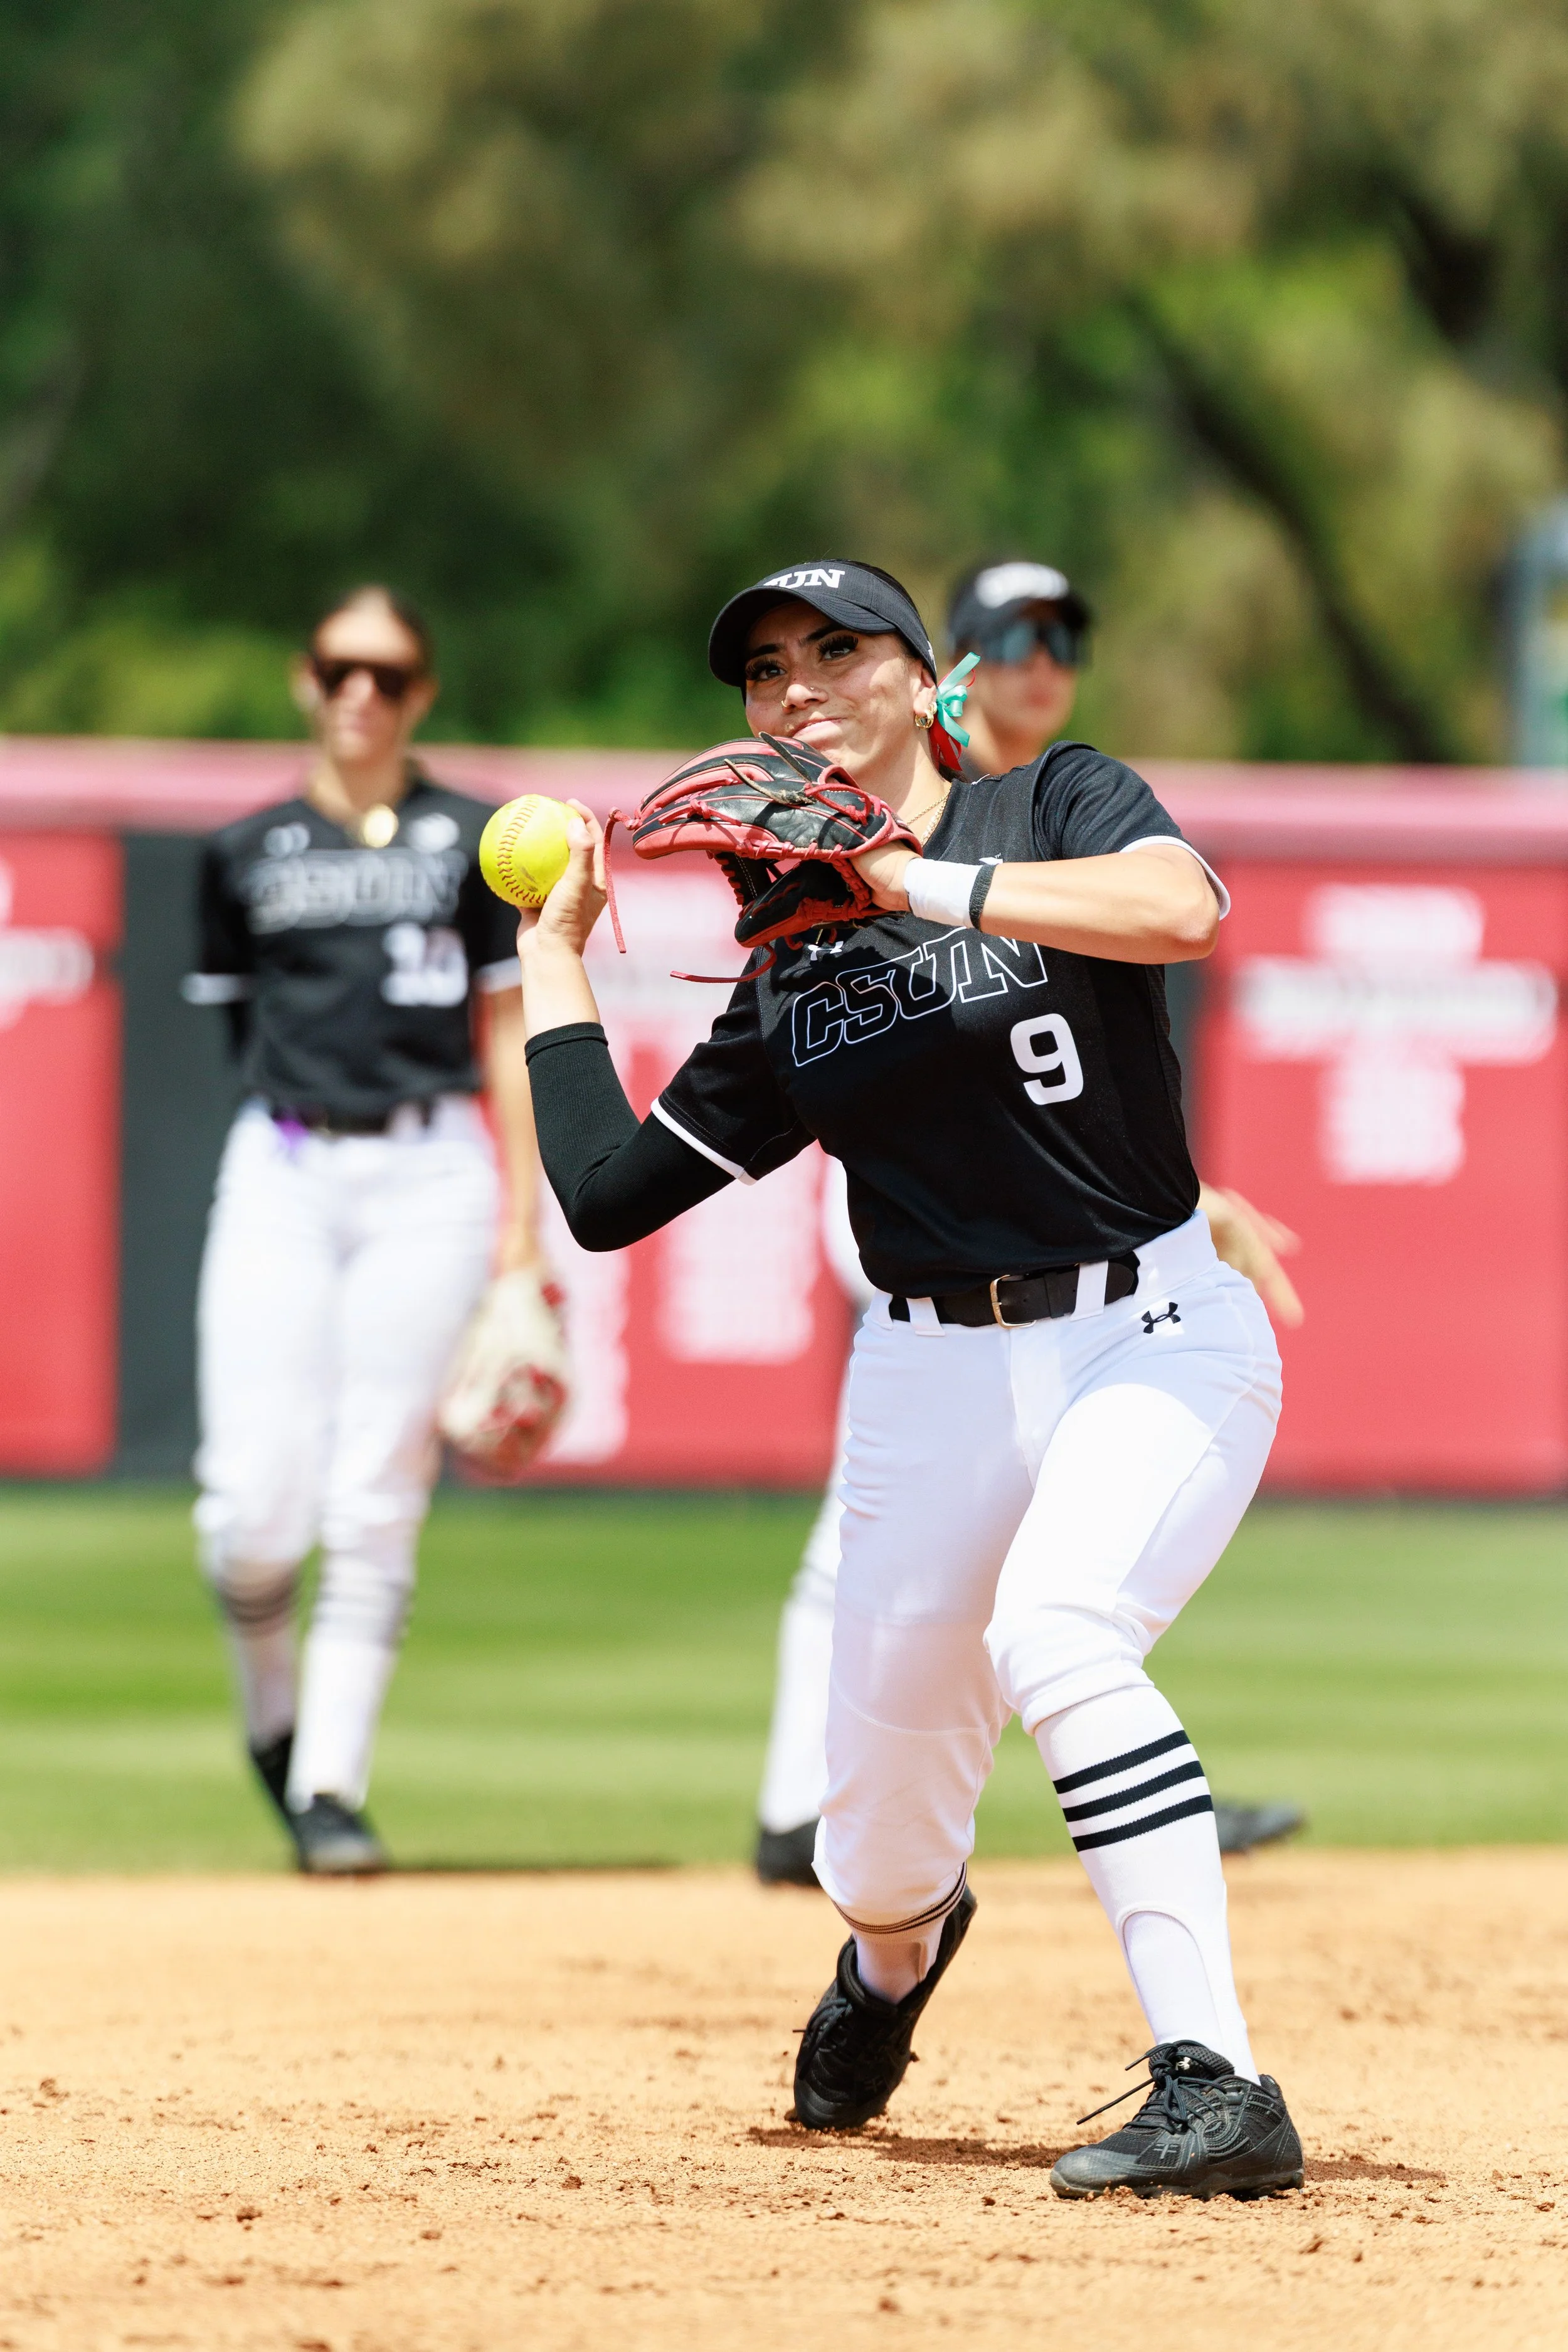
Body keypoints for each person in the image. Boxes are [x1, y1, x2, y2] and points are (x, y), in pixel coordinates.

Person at [517, 558, 1304, 2199]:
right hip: (928, 1381)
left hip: (1147, 1332)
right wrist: (554, 954)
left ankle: (1214, 2078)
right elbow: (603, 1196)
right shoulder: (795, 970)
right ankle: (893, 1962)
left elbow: (1183, 909)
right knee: (869, 1852)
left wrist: (915, 885)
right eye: (760, 669)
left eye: (834, 648)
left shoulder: (1048, 801)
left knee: (1060, 1627)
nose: (793, 685)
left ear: (924, 675)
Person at [755, 557, 1304, 1887]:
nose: (1034, 656)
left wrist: (1193, 1200)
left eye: (1061, 631)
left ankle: (1080, 1746)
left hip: (1075, 1221)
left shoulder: (1058, 793)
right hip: (911, 1197)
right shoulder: (888, 796)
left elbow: (1102, 1017)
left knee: (1053, 1582)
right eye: (1006, 631)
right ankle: (812, 1810)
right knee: (885, 1519)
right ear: (952, 660)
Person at [184, 586, 541, 1875]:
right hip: (284, 1160)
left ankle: (332, 1786)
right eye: (341, 668)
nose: (361, 694)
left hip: (430, 1163)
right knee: (250, 1505)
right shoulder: (241, 853)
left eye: (388, 676)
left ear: (421, 696)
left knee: (376, 1487)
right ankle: (273, 1730)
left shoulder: (477, 840)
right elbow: (240, 1032)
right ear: (305, 679)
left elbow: (507, 1041)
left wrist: (523, 1245)